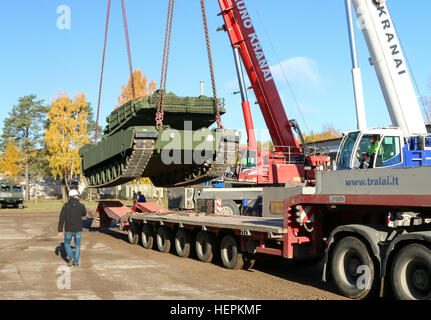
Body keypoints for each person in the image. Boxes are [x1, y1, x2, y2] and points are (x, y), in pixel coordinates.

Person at [58, 189, 87, 267]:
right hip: (78, 229)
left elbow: (61, 218)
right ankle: (76, 262)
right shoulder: (81, 205)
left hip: (68, 229)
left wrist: (60, 230)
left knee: (67, 244)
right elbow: (84, 214)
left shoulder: (65, 206)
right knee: (77, 245)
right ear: (76, 196)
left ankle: (71, 257)